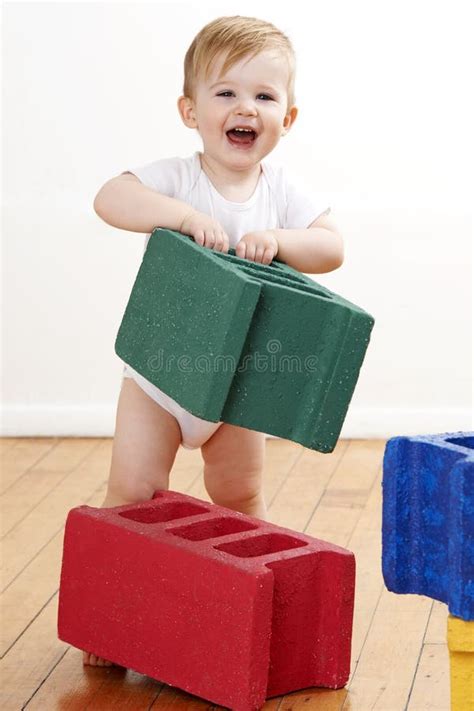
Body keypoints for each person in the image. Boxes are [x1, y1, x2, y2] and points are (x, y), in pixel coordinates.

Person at [85, 15, 344, 666]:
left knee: (242, 497)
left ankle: (251, 613)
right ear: (190, 110)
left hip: (237, 388)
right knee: (133, 490)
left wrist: (282, 241)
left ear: (287, 119)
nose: (244, 108)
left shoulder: (281, 192)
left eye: (264, 96)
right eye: (226, 93)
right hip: (160, 377)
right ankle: (108, 619)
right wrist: (181, 216)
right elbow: (110, 199)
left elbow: (332, 246)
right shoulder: (178, 178)